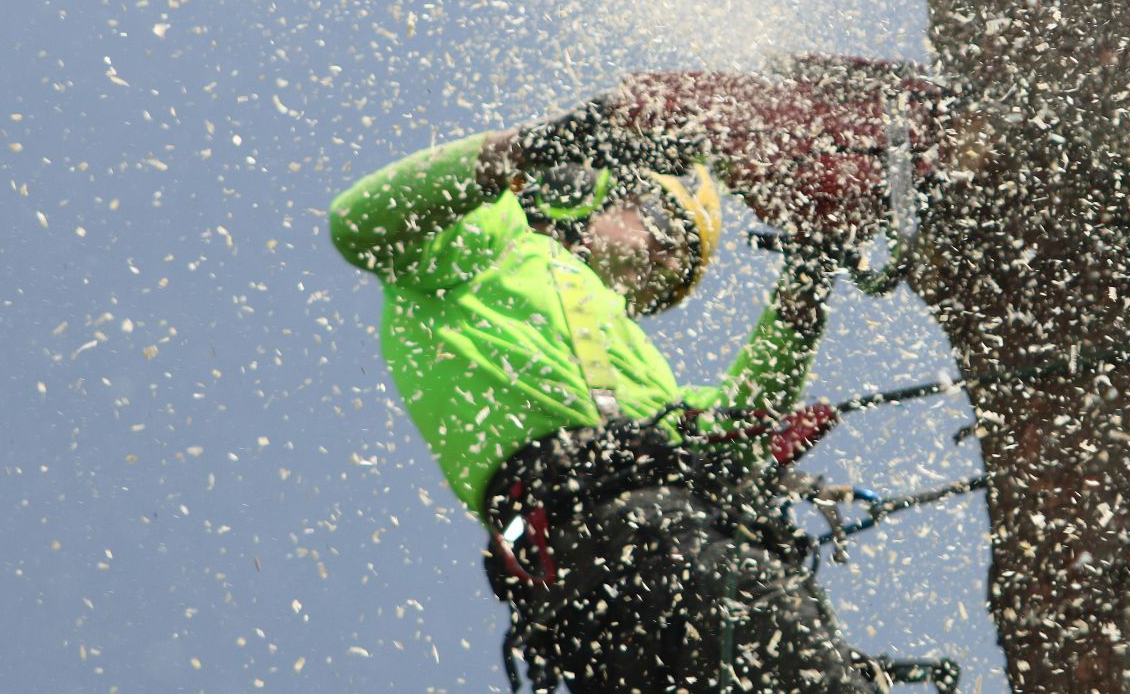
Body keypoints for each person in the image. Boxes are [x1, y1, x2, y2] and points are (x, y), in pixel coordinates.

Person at [328, 103, 881, 693]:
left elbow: (737, 429)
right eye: (669, 230)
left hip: (617, 573)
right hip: (621, 541)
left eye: (681, 269)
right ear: (594, 189)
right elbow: (355, 223)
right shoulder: (483, 239)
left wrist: (809, 274)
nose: (668, 261)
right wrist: (530, 147)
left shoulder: (639, 371)